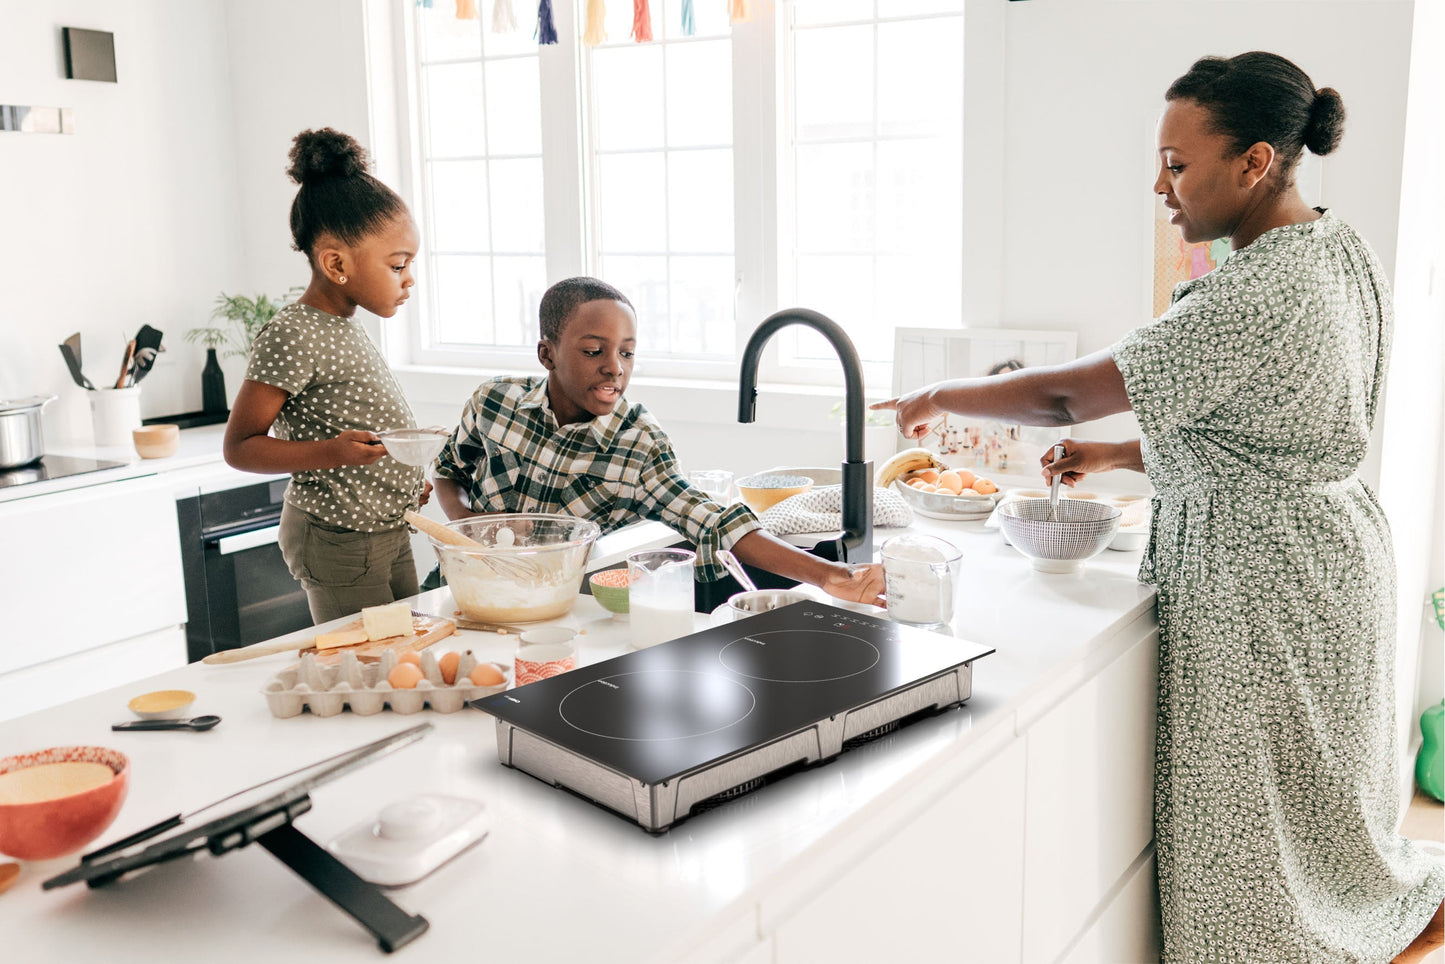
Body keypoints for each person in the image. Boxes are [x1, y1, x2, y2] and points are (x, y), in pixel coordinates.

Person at [873, 52, 1444, 961]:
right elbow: (1270, 429)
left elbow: (1067, 394)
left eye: (1176, 165)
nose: (1159, 187)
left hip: (1264, 580)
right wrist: (1118, 457)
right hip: (1328, 556)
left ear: (1254, 163)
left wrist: (939, 395)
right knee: (1315, 807)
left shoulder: (1254, 290)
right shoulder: (1337, 249)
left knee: (1254, 822)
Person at [430, 276, 885, 608]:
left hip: (548, 609)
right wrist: (469, 527)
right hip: (457, 589)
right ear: (547, 354)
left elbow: (715, 523)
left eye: (627, 352)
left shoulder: (638, 443)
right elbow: (449, 469)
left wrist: (829, 574)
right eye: (594, 351)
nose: (615, 367)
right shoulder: (494, 401)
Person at [224, 128, 431, 624]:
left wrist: (402, 481)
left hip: (386, 528)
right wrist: (334, 452)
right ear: (336, 263)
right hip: (339, 539)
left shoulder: (345, 325)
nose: (409, 279)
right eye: (397, 265)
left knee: (406, 649)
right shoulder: (293, 333)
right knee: (371, 660)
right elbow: (240, 447)